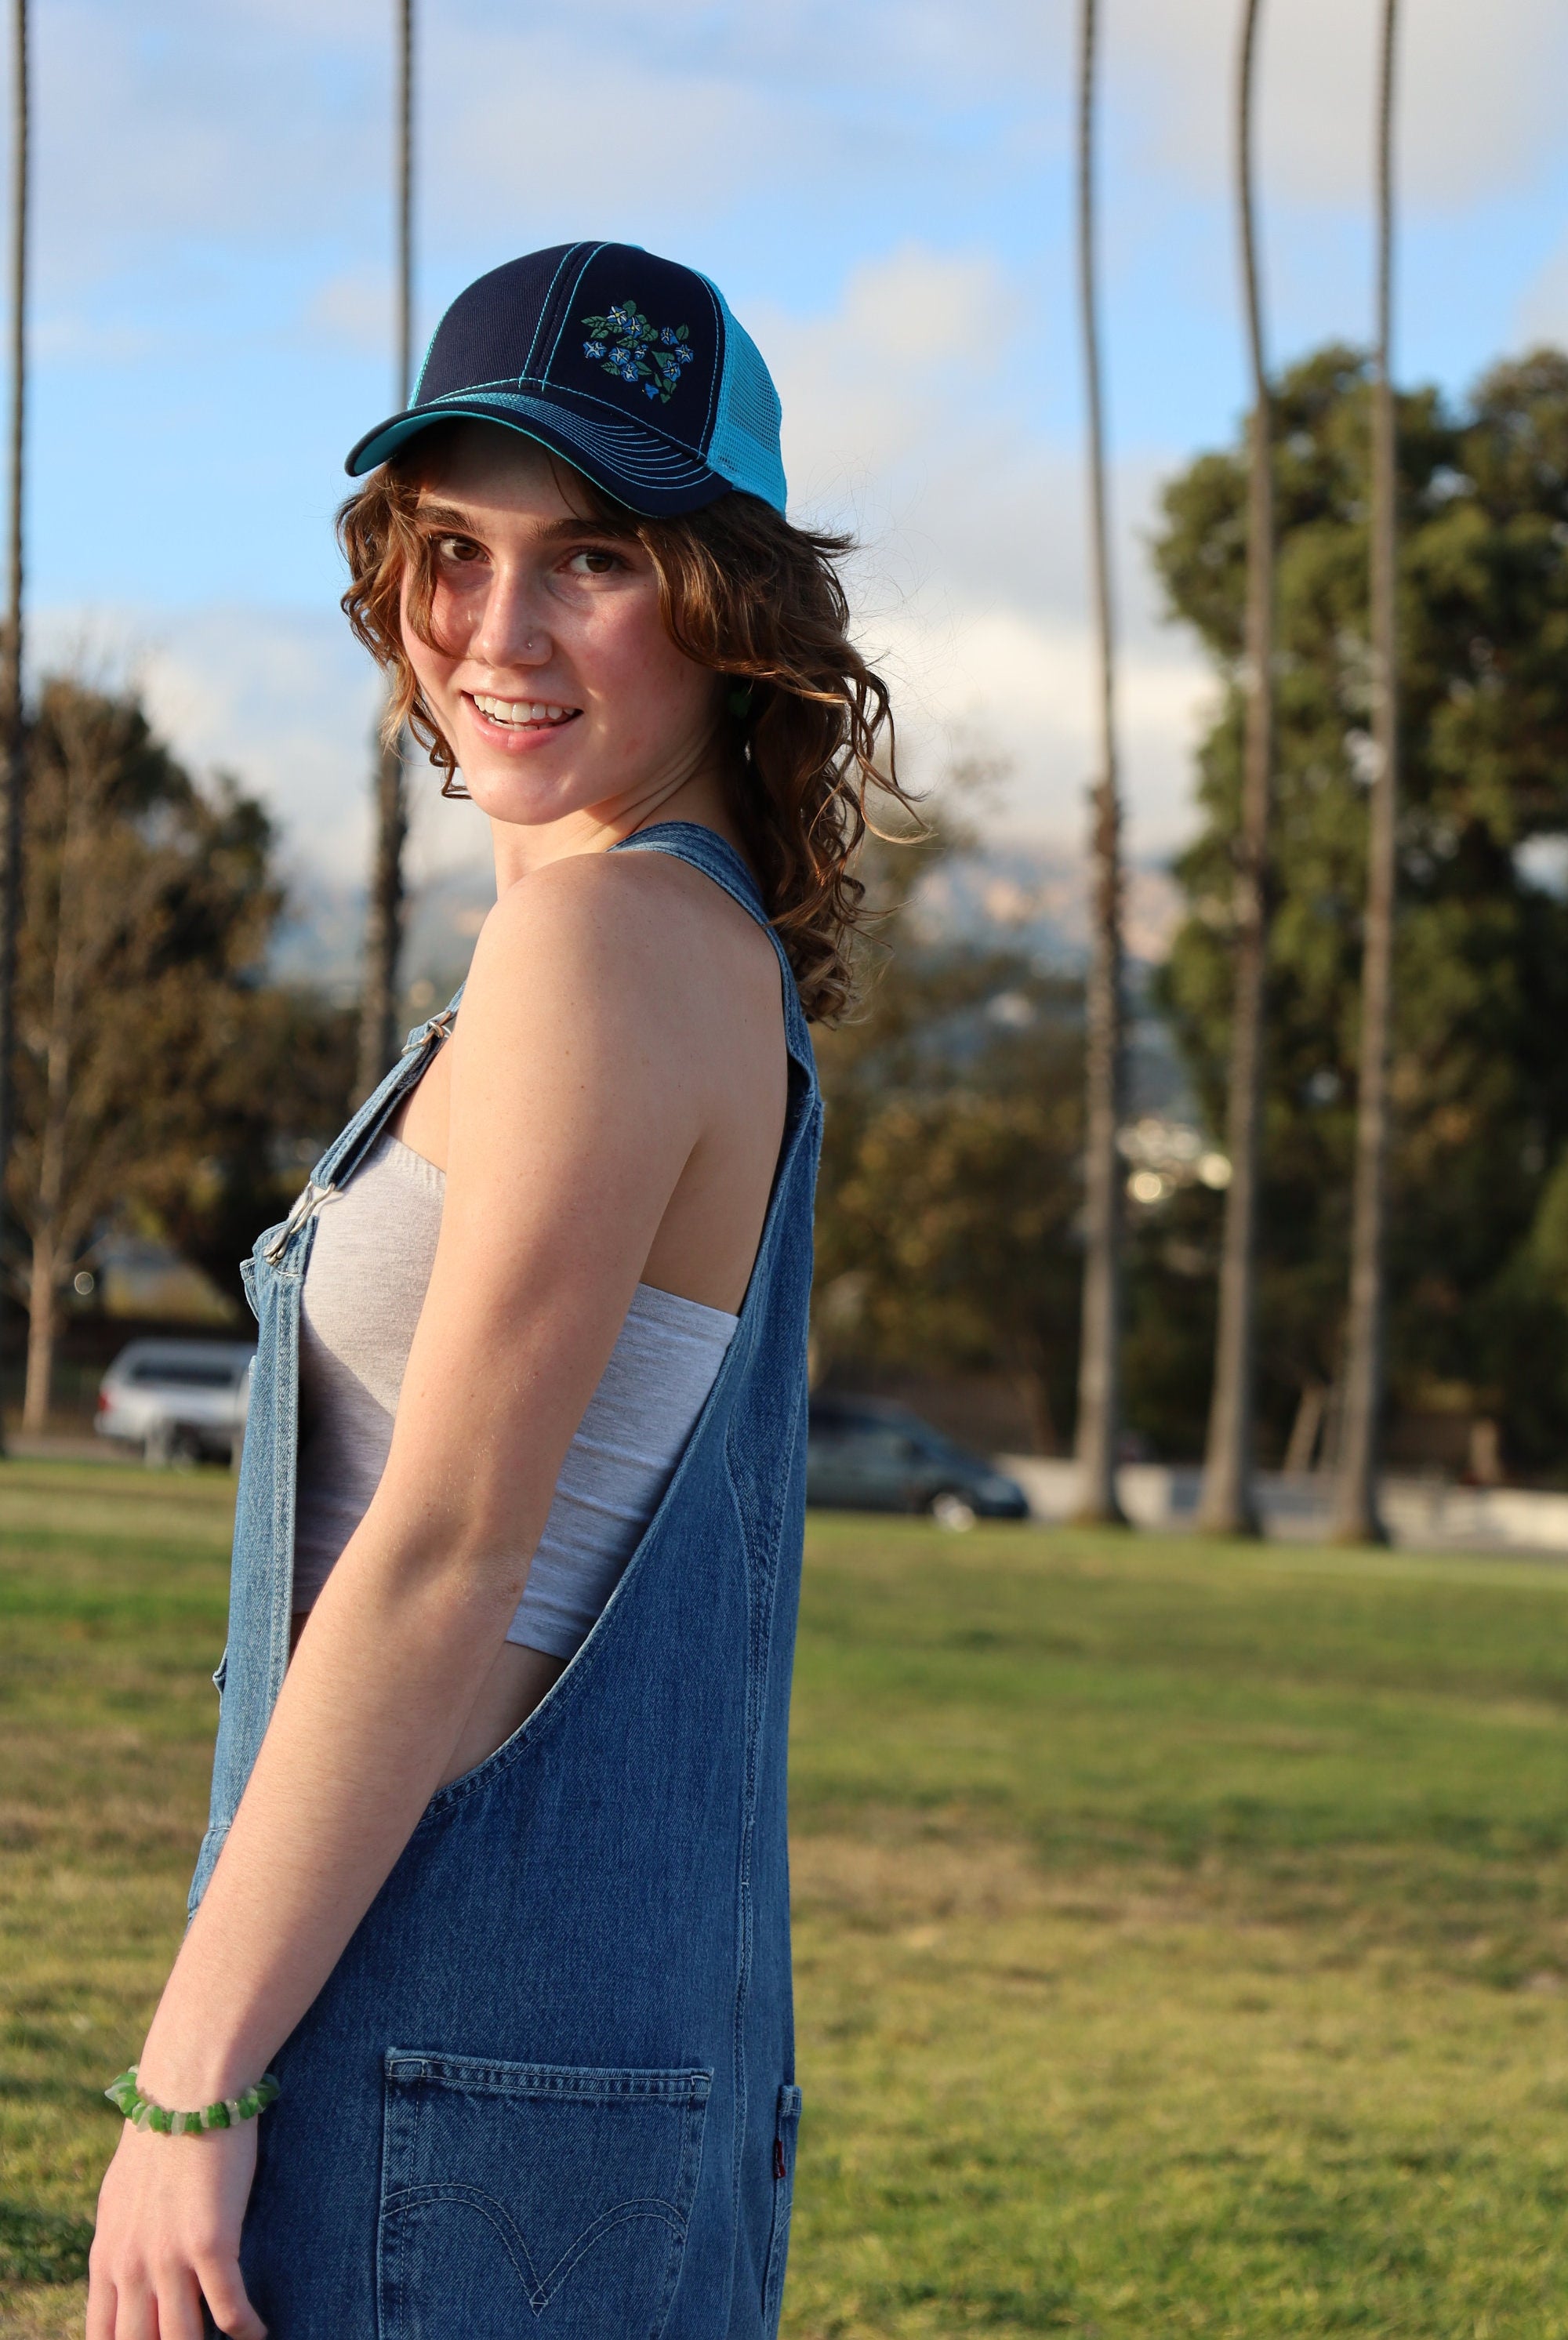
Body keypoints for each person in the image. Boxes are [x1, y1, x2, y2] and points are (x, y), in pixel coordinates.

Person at [86, 241, 906, 2340]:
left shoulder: (598, 952)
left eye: (595, 558)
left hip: (425, 2070)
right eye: (453, 548)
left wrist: (188, 2077)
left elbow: (450, 1549)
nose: (497, 631)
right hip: (593, 2087)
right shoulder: (701, 960)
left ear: (729, 609)